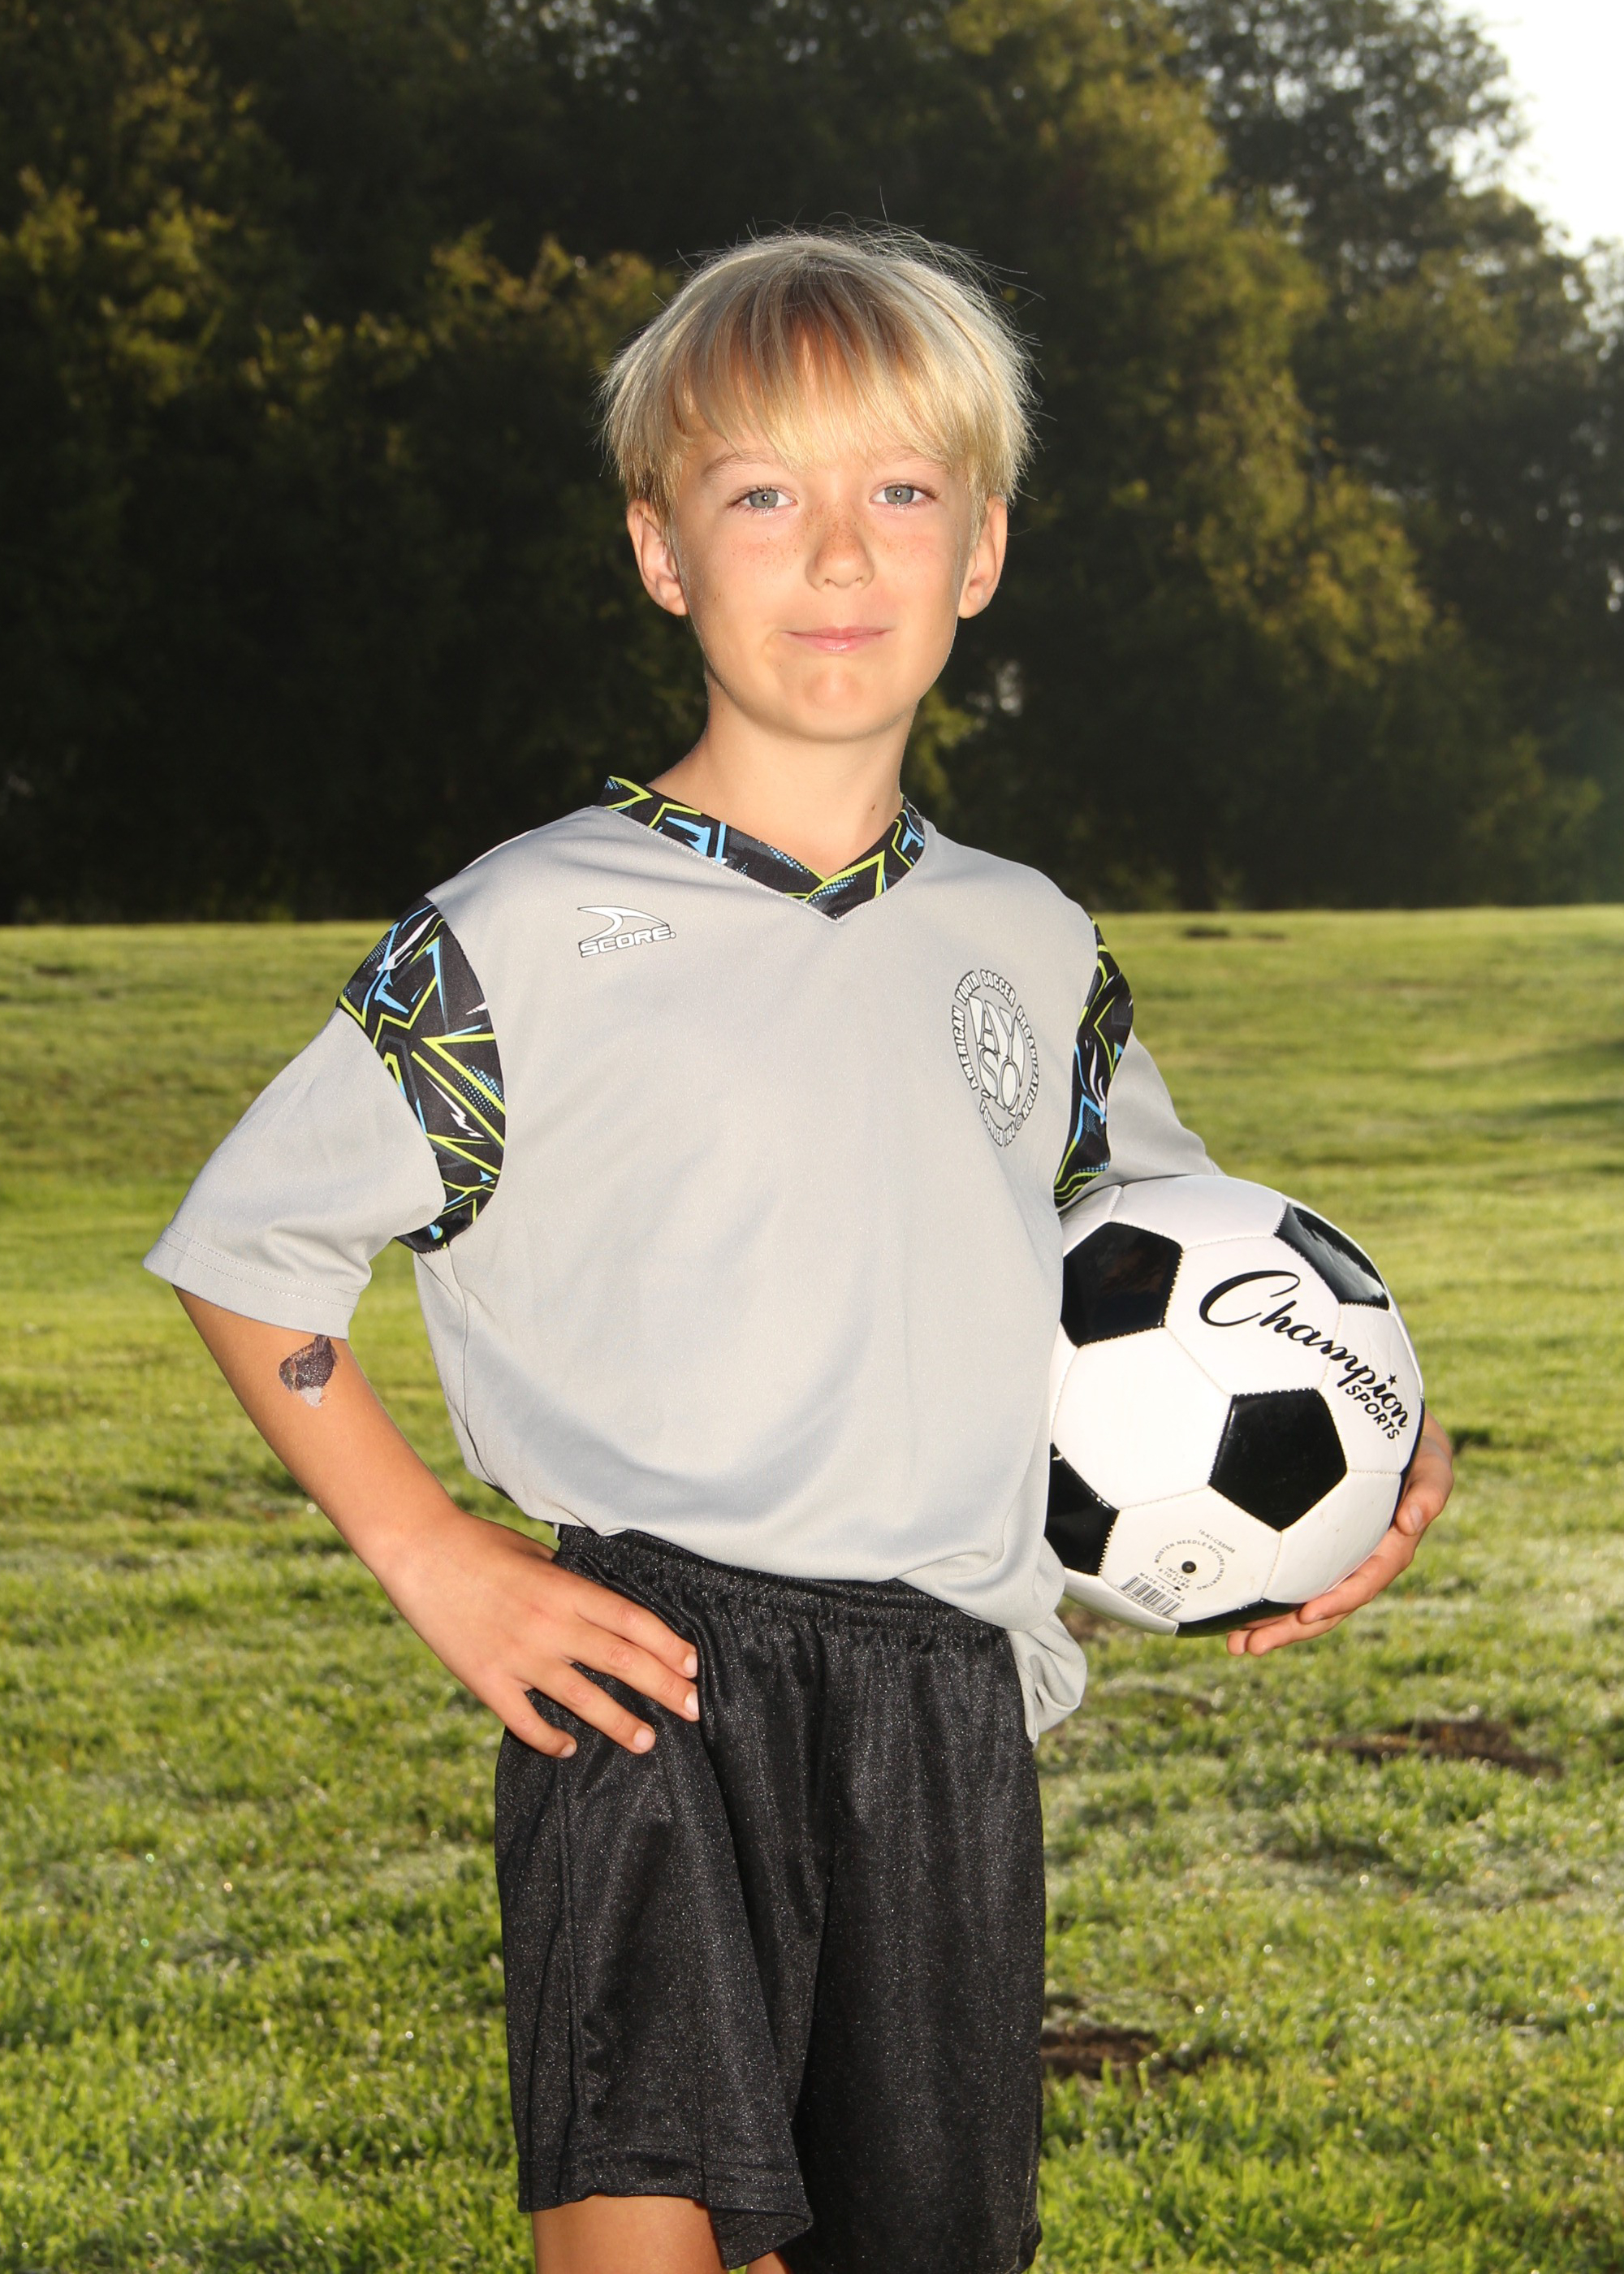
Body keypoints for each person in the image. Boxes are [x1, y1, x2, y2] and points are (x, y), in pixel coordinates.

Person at [145, 228, 1453, 2274]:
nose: (839, 554)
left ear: (981, 549)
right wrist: (438, 1557)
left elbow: (1180, 1259)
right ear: (659, 549)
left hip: (948, 1705)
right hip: (652, 1681)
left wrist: (1375, 1441)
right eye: (764, 494)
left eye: (899, 492)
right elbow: (253, 1249)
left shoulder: (1031, 942)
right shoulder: (525, 931)